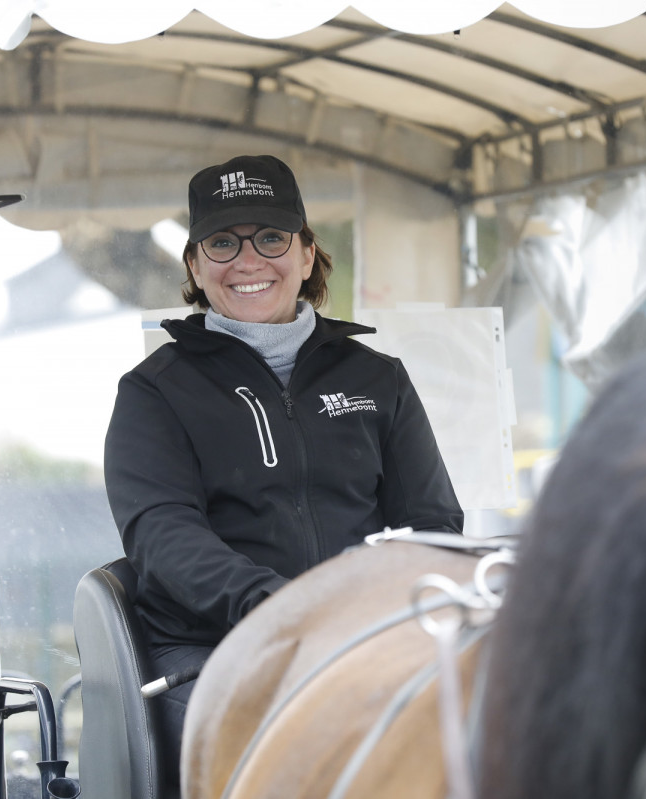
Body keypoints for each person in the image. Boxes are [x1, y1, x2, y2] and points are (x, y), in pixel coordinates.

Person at [103, 154, 463, 792]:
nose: (248, 260)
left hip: (368, 633)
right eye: (221, 242)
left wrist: (373, 612)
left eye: (270, 237)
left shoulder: (379, 379)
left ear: (305, 254)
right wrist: (280, 607)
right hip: (213, 649)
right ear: (194, 265)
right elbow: (163, 537)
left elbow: (432, 523)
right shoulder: (154, 392)